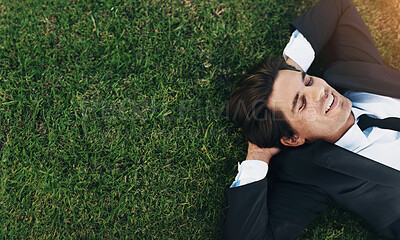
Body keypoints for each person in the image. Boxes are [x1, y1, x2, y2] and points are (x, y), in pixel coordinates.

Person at [223, 0, 400, 239]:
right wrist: (258, 156)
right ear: (293, 138)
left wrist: (292, 68)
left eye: (308, 81)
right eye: (301, 102)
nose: (319, 91)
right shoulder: (311, 174)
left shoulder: (351, 74)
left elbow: (338, 7)